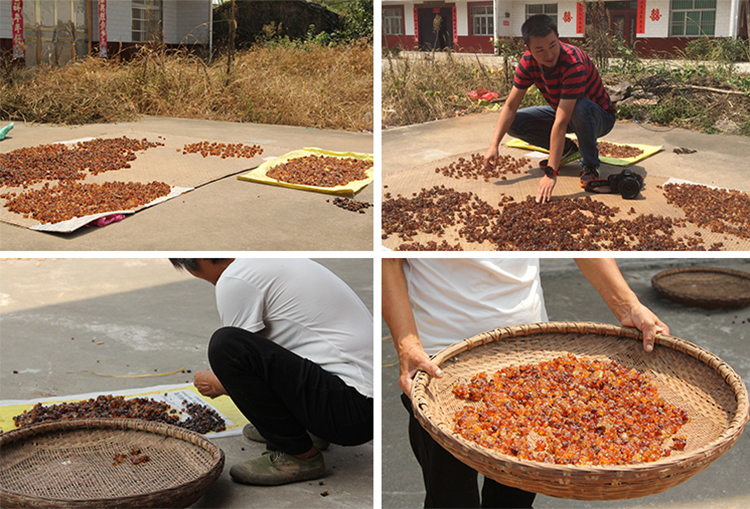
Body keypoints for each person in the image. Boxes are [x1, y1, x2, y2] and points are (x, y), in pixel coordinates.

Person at [382, 258, 668, 508]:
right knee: (451, 499)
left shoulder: (536, 192)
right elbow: (388, 260)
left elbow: (574, 238)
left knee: (514, 498)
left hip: (529, 352)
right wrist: (407, 343)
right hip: (441, 360)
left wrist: (628, 306)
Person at [171, 258, 373, 486]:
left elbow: (240, 361)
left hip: (351, 410)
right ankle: (307, 430)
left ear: (193, 264)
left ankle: (298, 454)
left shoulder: (235, 277)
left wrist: (217, 383)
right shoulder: (267, 260)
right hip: (358, 403)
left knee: (226, 346)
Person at [484, 14, 616, 204]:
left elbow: (561, 122)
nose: (549, 54)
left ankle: (590, 165)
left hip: (599, 117)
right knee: (514, 121)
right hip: (565, 111)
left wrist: (551, 173)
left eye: (553, 45)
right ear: (528, 49)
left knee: (579, 107)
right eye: (540, 50)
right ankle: (567, 151)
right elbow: (510, 106)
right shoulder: (527, 63)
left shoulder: (573, 63)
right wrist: (493, 145)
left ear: (558, 38)